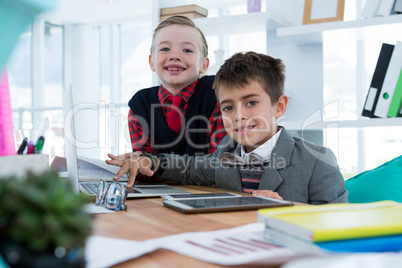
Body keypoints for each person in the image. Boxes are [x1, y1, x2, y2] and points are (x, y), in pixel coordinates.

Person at [107, 51, 348, 204]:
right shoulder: (225, 152)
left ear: (279, 106)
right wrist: (150, 161)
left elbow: (339, 225)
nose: (239, 116)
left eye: (251, 103)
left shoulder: (318, 161)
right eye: (228, 107)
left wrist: (289, 210)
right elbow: (188, 168)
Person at [108, 16, 226, 164]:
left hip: (207, 187)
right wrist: (141, 164)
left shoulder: (218, 94)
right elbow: (146, 168)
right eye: (165, 49)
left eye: (187, 50)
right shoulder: (140, 103)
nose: (175, 56)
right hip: (159, 186)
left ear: (204, 64)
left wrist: (154, 163)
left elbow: (215, 164)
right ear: (152, 62)